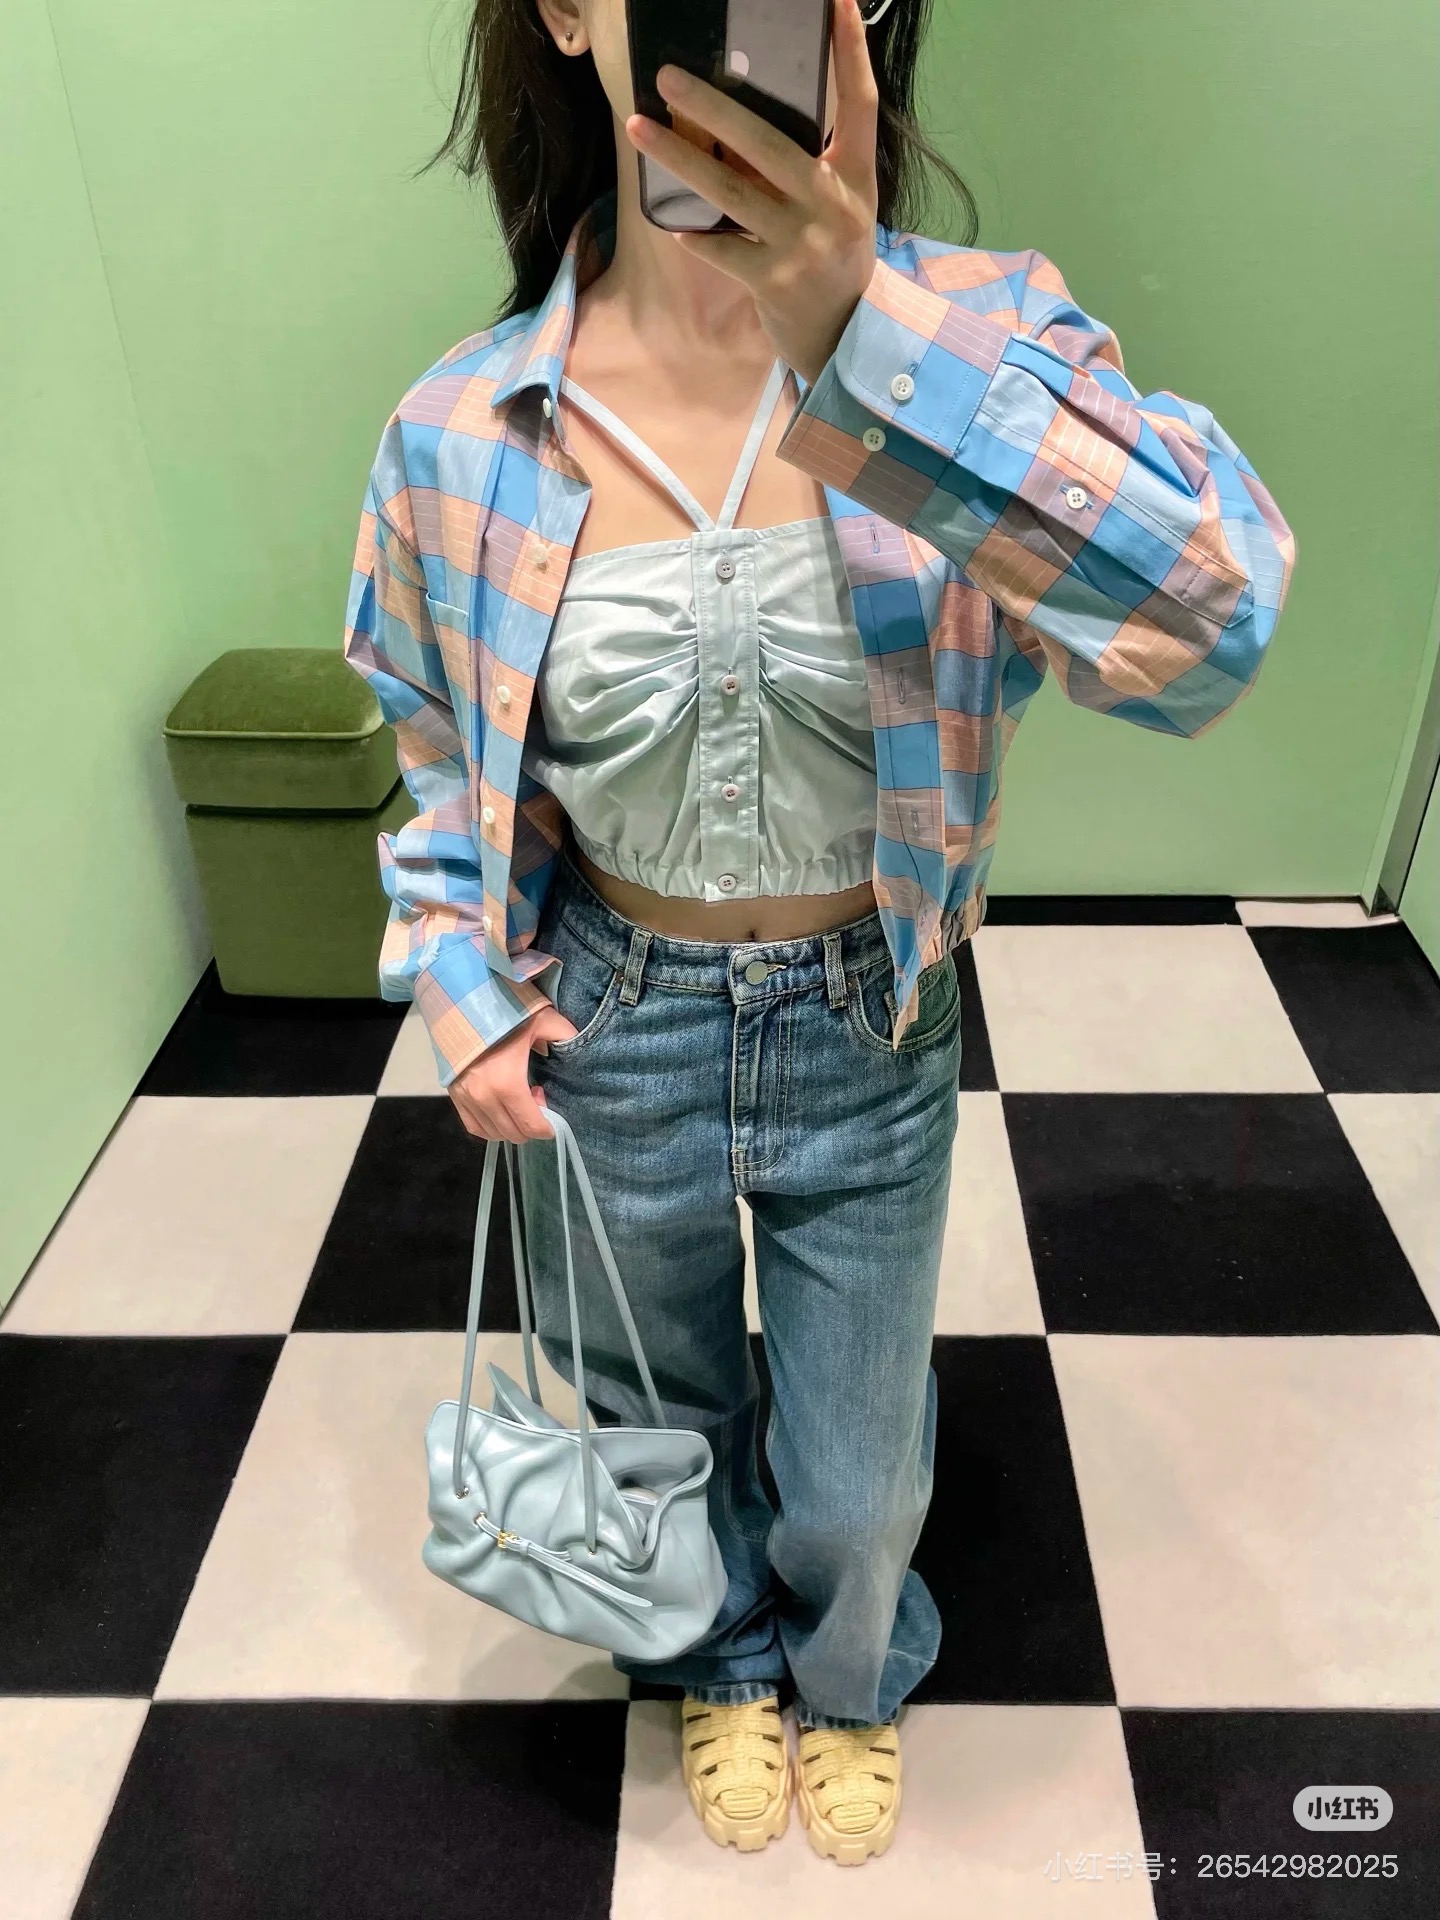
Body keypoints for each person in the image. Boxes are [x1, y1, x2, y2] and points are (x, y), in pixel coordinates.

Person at [342, 0, 1296, 1866]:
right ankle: (715, 1654)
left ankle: (853, 1671)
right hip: (605, 1017)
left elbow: (1210, 629)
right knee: (662, 1415)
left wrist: (876, 347)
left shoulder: (988, 342)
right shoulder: (461, 429)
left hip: (872, 1012)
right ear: (567, 11)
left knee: (859, 1478)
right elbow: (436, 745)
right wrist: (459, 986)